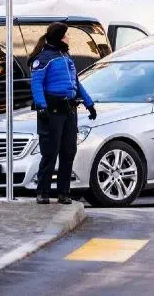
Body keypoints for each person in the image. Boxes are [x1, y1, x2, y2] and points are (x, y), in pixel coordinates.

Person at [29, 22, 97, 205]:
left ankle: (63, 193)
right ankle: (42, 192)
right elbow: (36, 83)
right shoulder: (44, 58)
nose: (69, 38)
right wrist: (41, 106)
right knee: (50, 153)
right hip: (52, 110)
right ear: (60, 36)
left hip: (69, 110)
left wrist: (89, 103)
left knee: (68, 152)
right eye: (67, 34)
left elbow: (76, 83)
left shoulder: (66, 56)